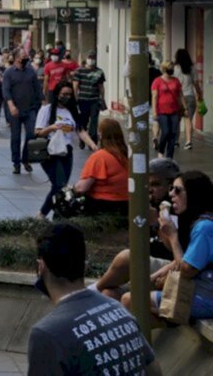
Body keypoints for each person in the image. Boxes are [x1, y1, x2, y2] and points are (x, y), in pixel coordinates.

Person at [27, 223, 158, 375]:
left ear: (41, 266)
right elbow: (154, 370)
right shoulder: (118, 309)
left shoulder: (46, 334)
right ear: (84, 264)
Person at [121, 171, 213, 322]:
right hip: (203, 288)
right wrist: (153, 278)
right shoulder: (200, 220)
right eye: (171, 188)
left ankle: (134, 344)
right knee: (136, 301)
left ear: (193, 193)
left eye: (177, 190)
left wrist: (172, 236)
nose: (171, 194)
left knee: (130, 300)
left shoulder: (204, 227)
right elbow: (186, 261)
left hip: (206, 297)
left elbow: (186, 270)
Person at [94, 158, 181, 300]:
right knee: (108, 294)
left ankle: (91, 293)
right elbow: (137, 243)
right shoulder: (151, 205)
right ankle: (96, 293)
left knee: (126, 257)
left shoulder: (176, 208)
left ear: (170, 184)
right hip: (147, 266)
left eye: (156, 184)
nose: (150, 190)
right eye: (148, 185)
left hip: (166, 270)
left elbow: (177, 252)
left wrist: (156, 223)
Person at [34, 82, 99, 220]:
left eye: (69, 94)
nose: (67, 97)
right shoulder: (47, 110)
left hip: (66, 150)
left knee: (61, 187)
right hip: (50, 151)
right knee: (59, 185)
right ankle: (43, 214)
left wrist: (93, 146)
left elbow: (81, 131)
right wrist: (52, 127)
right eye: (64, 94)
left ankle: (57, 215)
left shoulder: (73, 111)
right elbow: (38, 132)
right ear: (57, 94)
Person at [73, 118, 128, 217]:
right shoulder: (126, 155)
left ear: (101, 135)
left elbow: (81, 188)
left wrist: (72, 189)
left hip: (103, 205)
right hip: (125, 204)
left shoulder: (100, 157)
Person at [3, 50, 44, 175]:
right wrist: (11, 105)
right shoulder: (9, 72)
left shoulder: (30, 71)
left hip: (30, 108)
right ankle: (16, 163)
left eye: (26, 57)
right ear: (16, 58)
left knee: (32, 134)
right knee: (15, 137)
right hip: (14, 109)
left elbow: (37, 88)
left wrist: (43, 102)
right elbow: (6, 90)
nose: (25, 59)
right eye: (22, 57)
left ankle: (26, 158)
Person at [151, 61, 186, 159]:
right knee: (166, 132)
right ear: (164, 68)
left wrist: (185, 108)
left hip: (174, 110)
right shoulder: (157, 81)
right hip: (162, 111)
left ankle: (170, 156)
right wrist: (154, 111)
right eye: (170, 67)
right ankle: (161, 151)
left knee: (173, 133)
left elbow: (180, 95)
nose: (172, 69)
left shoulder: (176, 81)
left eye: (173, 67)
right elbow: (154, 97)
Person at [70, 52, 105, 144]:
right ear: (86, 59)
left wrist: (102, 99)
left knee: (94, 121)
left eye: (93, 58)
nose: (91, 60)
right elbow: (75, 86)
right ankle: (83, 138)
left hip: (94, 99)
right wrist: (75, 98)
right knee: (84, 120)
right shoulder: (79, 71)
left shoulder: (99, 72)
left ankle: (93, 140)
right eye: (90, 58)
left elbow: (101, 87)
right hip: (83, 100)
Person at [174, 48, 202, 151]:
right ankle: (188, 142)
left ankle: (176, 141)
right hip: (190, 97)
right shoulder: (193, 68)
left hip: (177, 98)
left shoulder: (175, 69)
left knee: (176, 120)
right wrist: (200, 96)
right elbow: (196, 84)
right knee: (188, 119)